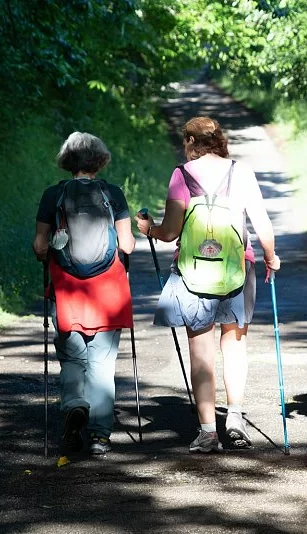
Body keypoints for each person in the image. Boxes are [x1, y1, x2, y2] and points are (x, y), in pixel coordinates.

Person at [136, 116, 280, 453]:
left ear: (189, 141)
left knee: (201, 353)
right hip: (237, 269)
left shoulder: (182, 175)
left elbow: (170, 231)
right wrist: (271, 258)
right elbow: (261, 223)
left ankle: (207, 432)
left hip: (193, 274)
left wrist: (149, 229)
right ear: (219, 140)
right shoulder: (240, 172)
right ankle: (235, 419)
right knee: (234, 346)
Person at [33, 131, 136, 456]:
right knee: (103, 364)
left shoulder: (54, 195)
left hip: (67, 291)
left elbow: (39, 246)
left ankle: (75, 404)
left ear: (68, 160)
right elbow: (127, 245)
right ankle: (100, 436)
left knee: (73, 357)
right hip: (109, 291)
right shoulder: (113, 193)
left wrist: (48, 250)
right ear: (99, 159)